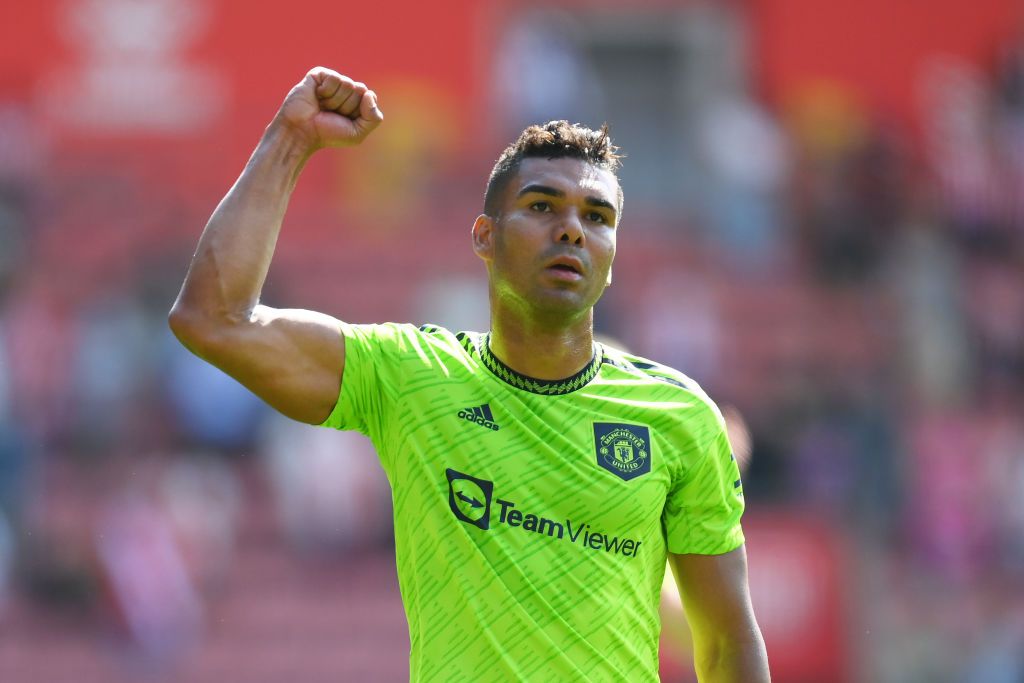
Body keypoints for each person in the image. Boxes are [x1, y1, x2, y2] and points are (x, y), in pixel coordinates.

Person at [169, 67, 770, 682]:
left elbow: (725, 643)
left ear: (612, 255)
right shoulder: (410, 375)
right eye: (541, 206)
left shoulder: (678, 416)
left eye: (597, 217)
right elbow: (215, 320)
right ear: (484, 236)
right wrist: (291, 139)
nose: (572, 229)